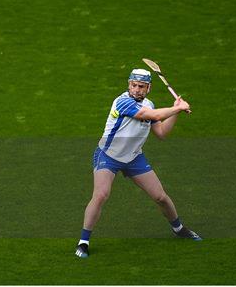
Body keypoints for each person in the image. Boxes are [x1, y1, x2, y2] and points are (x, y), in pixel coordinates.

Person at [75, 68, 202, 259]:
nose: (136, 89)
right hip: (108, 156)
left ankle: (179, 228)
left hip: (134, 157)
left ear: (148, 88)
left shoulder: (149, 104)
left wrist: (176, 111)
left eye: (141, 86)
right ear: (129, 85)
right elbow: (154, 116)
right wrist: (177, 108)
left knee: (160, 197)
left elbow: (161, 133)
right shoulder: (123, 102)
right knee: (101, 194)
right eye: (133, 85)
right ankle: (83, 242)